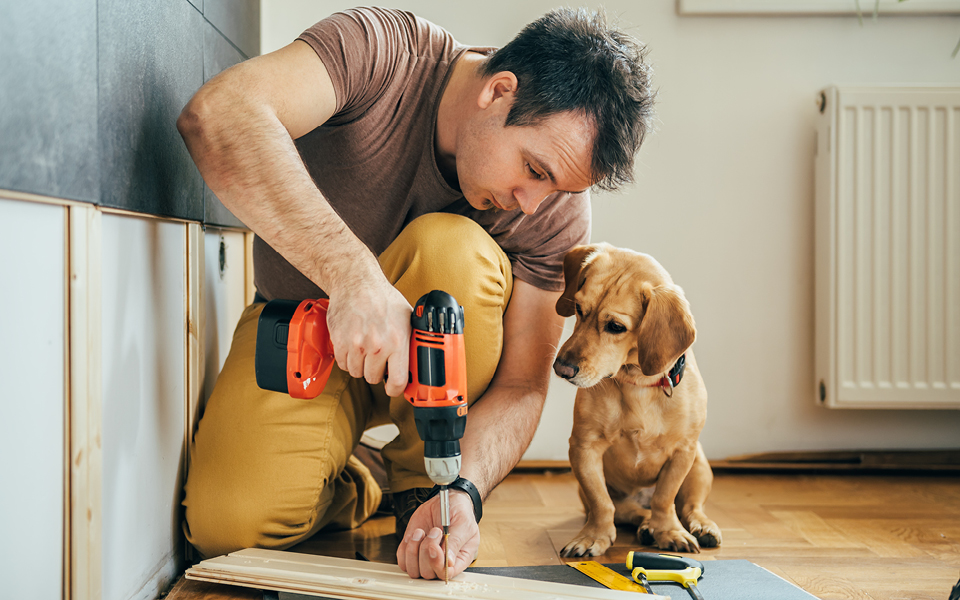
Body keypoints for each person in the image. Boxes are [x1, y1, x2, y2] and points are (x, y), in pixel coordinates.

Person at [176, 5, 653, 581]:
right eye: (533, 168)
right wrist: (354, 279)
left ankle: (424, 483)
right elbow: (219, 114)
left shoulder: (554, 210)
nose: (532, 202)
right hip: (303, 325)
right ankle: (363, 476)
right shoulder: (380, 52)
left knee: (451, 248)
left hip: (438, 389)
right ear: (499, 91)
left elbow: (524, 384)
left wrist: (468, 491)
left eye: (555, 187)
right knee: (228, 530)